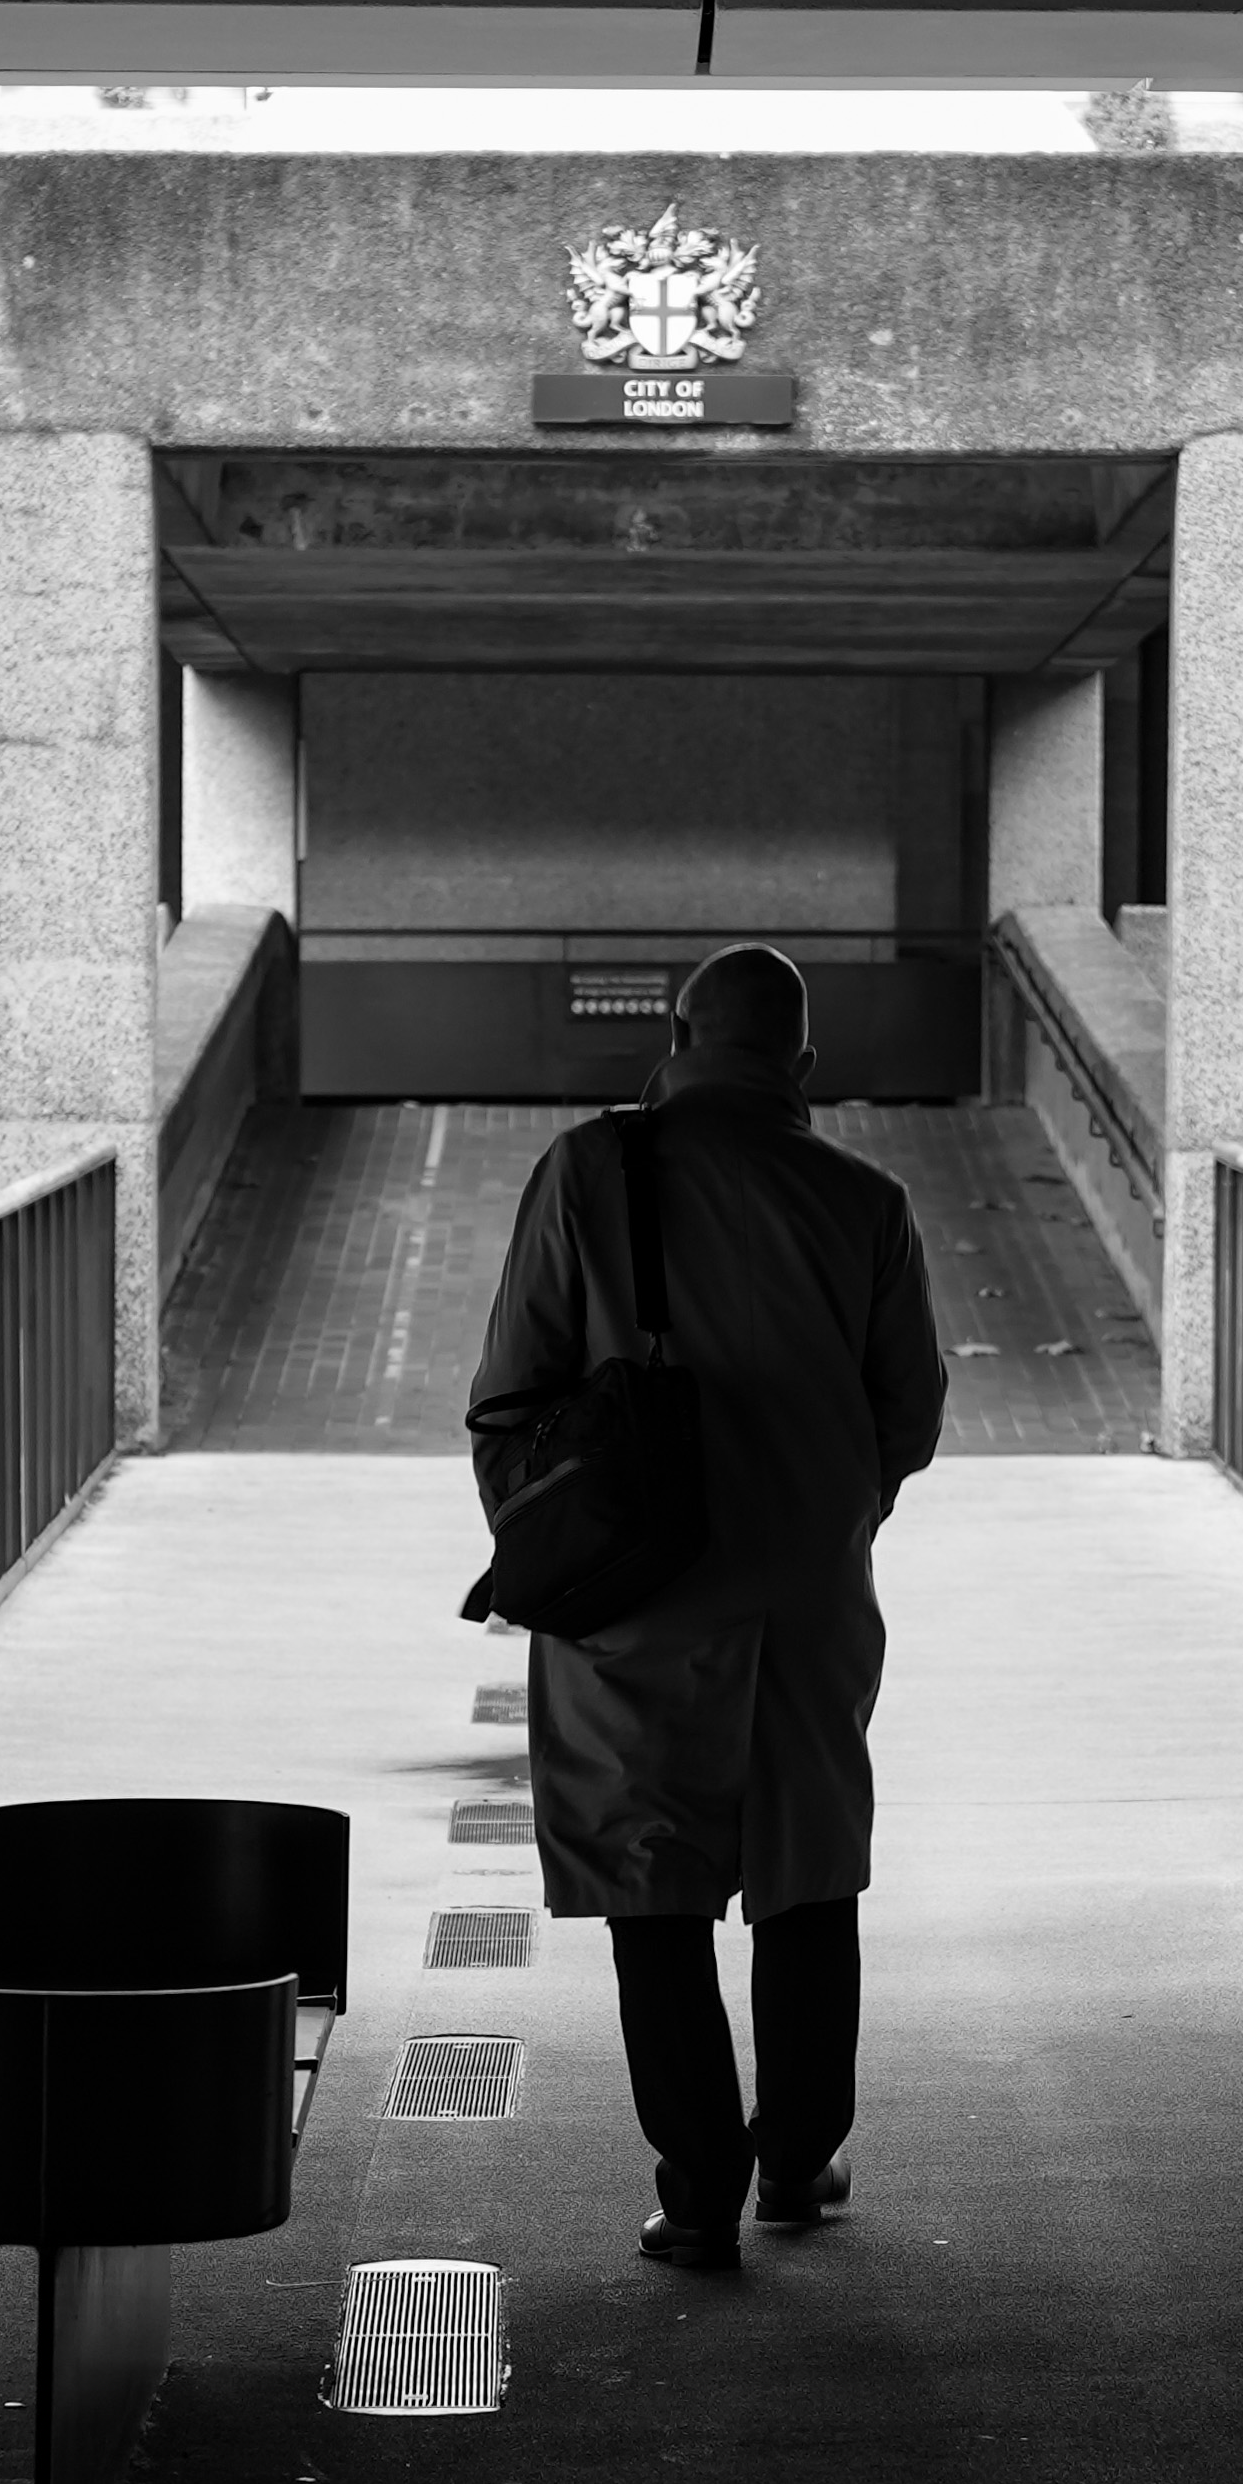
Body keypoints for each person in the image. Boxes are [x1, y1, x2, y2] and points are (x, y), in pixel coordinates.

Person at [467, 944, 948, 2270]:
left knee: (651, 1883)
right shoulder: (866, 1201)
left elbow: (508, 1394)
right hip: (804, 1598)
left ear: (674, 1036)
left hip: (635, 1599)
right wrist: (824, 1506)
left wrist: (562, 1532)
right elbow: (908, 1413)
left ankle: (696, 2192)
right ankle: (796, 2158)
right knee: (806, 1875)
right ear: (798, 1064)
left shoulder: (587, 1172)